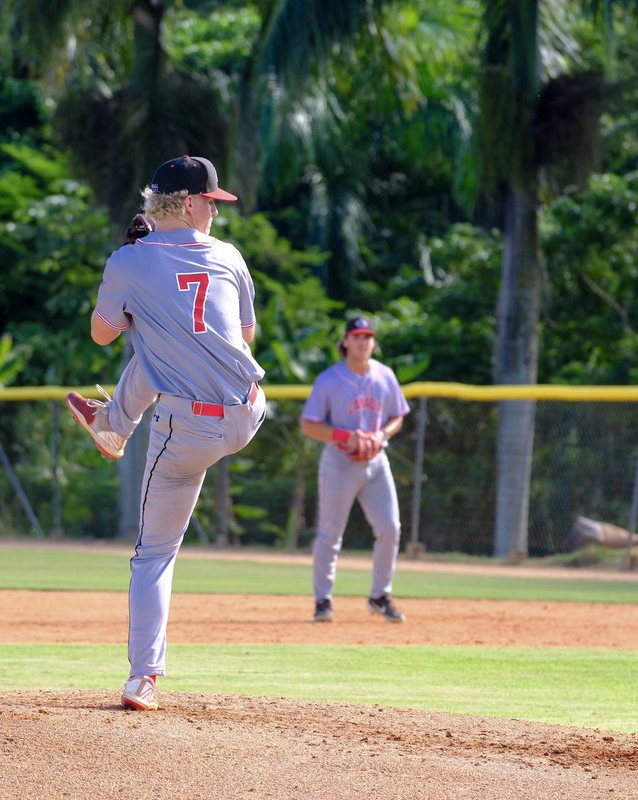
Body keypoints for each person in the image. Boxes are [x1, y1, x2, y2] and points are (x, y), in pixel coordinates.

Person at [67, 155, 266, 711]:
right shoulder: (229, 256)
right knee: (164, 342)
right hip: (247, 411)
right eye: (211, 201)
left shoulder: (129, 259)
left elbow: (101, 337)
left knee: (154, 553)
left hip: (188, 429)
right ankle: (110, 424)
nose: (215, 210)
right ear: (189, 203)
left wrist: (136, 272)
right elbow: (244, 332)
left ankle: (142, 679)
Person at [300, 316, 410, 624]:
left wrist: (382, 435)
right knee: (330, 534)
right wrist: (344, 435)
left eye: (368, 336)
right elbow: (309, 425)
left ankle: (380, 596)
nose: (363, 341)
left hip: (376, 463)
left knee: (390, 528)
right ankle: (323, 600)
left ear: (374, 342)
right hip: (339, 463)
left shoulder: (385, 376)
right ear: (346, 341)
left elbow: (397, 416)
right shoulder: (329, 379)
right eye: (357, 336)